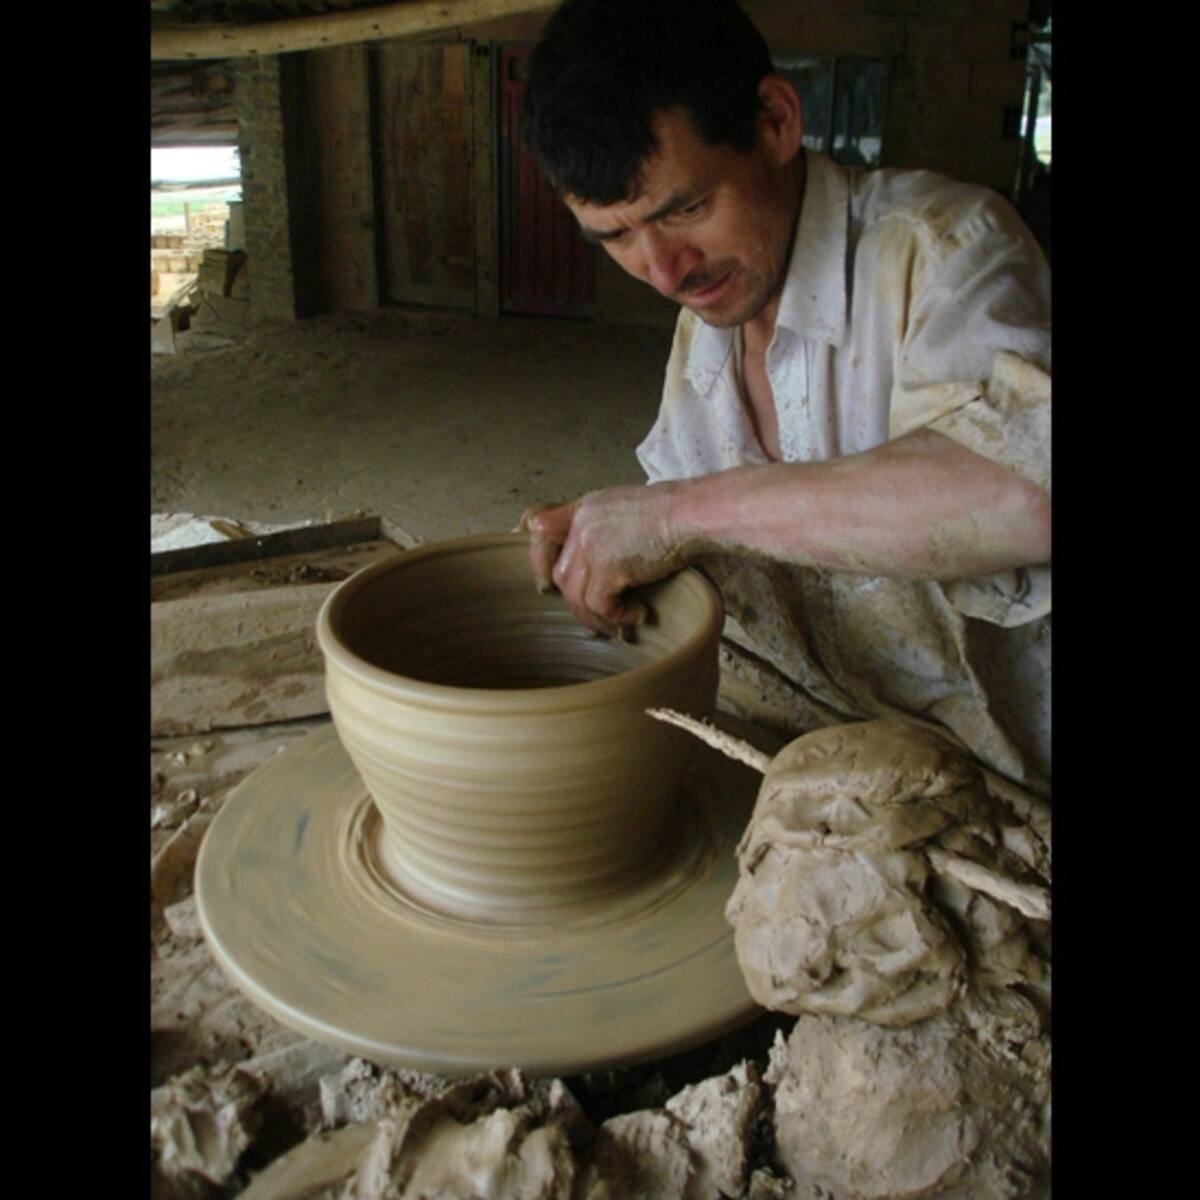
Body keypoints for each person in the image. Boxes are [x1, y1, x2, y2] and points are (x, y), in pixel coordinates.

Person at [519, 0, 1051, 796]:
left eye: (686, 209)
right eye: (617, 237)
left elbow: (1024, 490)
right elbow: (694, 541)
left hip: (1011, 783)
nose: (664, 271)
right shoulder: (707, 327)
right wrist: (608, 547)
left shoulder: (947, 247)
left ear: (775, 121)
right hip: (831, 750)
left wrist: (673, 515)